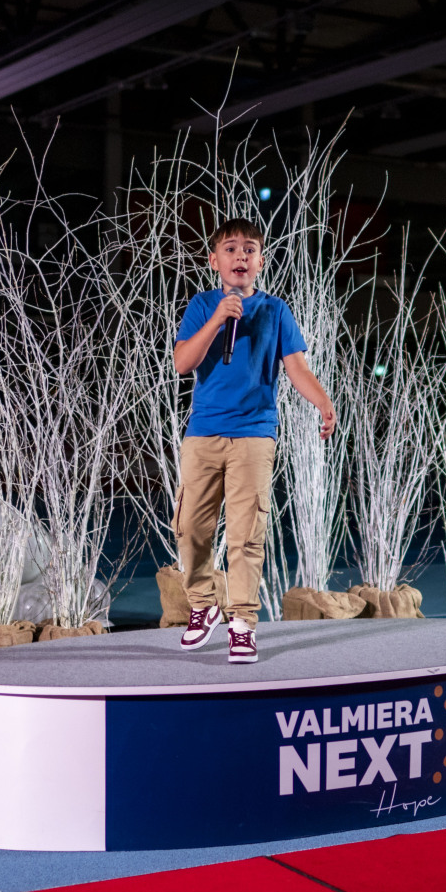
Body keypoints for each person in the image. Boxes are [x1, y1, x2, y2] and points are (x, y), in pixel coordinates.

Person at [172, 218, 336, 664]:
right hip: (203, 433)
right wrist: (218, 319)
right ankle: (203, 604)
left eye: (249, 249)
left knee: (246, 535)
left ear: (260, 261)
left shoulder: (275, 310)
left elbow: (296, 367)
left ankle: (242, 624)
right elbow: (182, 363)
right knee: (190, 528)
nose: (240, 256)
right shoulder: (203, 305)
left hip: (254, 435)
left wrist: (323, 402)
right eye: (230, 249)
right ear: (214, 260)